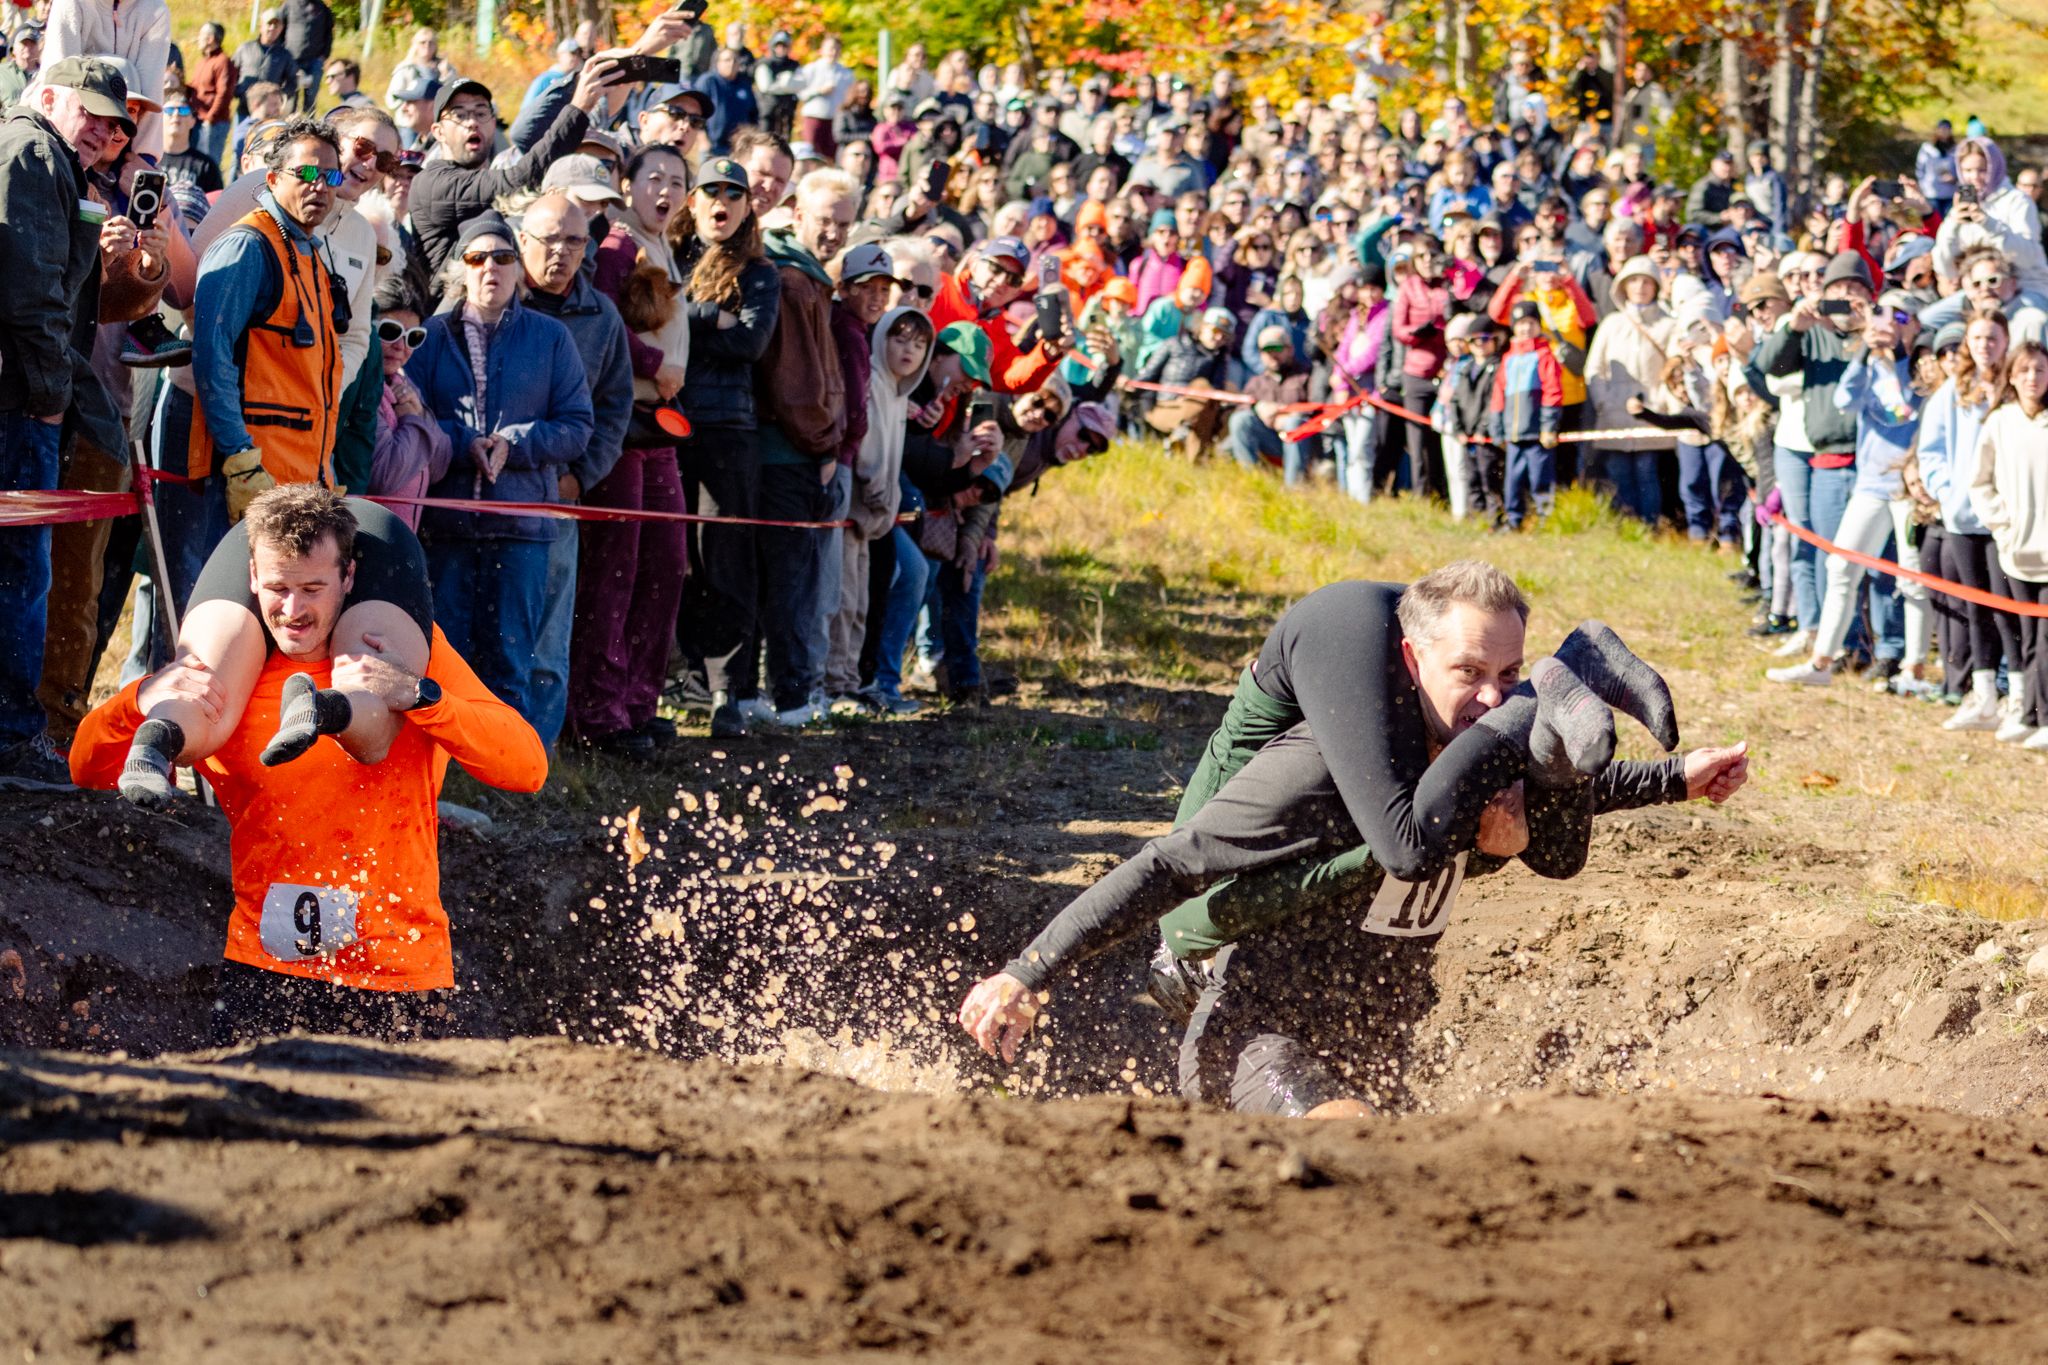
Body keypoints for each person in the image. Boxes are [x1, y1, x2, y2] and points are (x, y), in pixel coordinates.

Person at [959, 566, 1736, 1115]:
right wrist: (1029, 969)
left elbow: (1574, 792)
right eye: (1471, 672)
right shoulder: (1322, 769)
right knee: (1349, 1141)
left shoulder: (1463, 768)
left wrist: (1675, 777)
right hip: (1253, 1006)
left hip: (1378, 1012)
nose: (1491, 696)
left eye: (1509, 677)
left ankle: (1574, 667)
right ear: (1410, 663)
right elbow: (1175, 860)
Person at [71, 486, 546, 1039]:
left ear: (348, 577)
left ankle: (330, 712)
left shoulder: (407, 656)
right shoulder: (223, 683)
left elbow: (526, 768)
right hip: (265, 968)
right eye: (278, 588)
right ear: (251, 577)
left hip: (398, 972)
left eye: (313, 589)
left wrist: (422, 697)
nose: (293, 611)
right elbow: (87, 768)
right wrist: (140, 697)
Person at [0, 56, 136, 787]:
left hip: (26, 393)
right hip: (21, 400)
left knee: (23, 571)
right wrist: (52, 393)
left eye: (115, 128)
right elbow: (30, 293)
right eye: (89, 114)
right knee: (21, 572)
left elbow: (62, 288)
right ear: (46, 95)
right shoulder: (28, 149)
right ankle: (13, 737)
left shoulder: (50, 160)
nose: (102, 134)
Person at [404, 213, 595, 729]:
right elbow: (410, 414)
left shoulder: (551, 338)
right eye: (477, 257)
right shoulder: (431, 338)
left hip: (522, 526)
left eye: (504, 257)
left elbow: (579, 425)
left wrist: (518, 443)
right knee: (446, 663)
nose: (491, 267)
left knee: (513, 664)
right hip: (448, 527)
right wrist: (465, 443)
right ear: (460, 270)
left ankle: (514, 781)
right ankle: (450, 782)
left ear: (518, 269)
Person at [669, 155, 782, 739]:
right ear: (693, 201)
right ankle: (690, 678)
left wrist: (689, 323)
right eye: (710, 191)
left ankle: (728, 689)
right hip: (668, 422)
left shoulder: (760, 272)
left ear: (745, 207)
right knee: (679, 556)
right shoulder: (670, 257)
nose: (722, 201)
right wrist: (710, 316)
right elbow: (654, 318)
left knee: (726, 557)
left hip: (729, 430)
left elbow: (751, 343)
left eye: (733, 194)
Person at [1769, 294, 1935, 691]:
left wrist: (1896, 354)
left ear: (1913, 322)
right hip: (1872, 486)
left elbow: (1903, 412)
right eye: (1881, 313)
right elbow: (1844, 400)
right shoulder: (1868, 365)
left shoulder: (1924, 369)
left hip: (1911, 491)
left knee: (1912, 578)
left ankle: (1914, 669)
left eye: (1900, 315)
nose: (1889, 322)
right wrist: (1866, 352)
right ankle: (1822, 661)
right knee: (1841, 567)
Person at [188, 116, 347, 517]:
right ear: (273, 179)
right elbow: (212, 354)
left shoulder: (311, 252)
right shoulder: (248, 245)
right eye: (307, 172)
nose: (320, 185)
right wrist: (241, 459)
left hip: (295, 480)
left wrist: (322, 469)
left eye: (330, 174)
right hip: (243, 473)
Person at [747, 167, 856, 725]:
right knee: (788, 582)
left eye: (844, 223)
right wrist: (824, 445)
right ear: (797, 215)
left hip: (798, 450)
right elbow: (794, 383)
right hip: (787, 455)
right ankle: (789, 699)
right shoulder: (791, 279)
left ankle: (780, 692)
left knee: (792, 581)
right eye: (824, 220)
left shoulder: (810, 275)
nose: (834, 232)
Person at [1968, 338, 2048, 749]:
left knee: (2047, 636)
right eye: (2025, 370)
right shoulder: (2000, 422)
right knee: (2028, 635)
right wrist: (2002, 524)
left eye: (2040, 369)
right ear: (2012, 376)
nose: (2033, 377)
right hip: (2017, 550)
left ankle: (2044, 717)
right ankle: (2031, 714)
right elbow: (1979, 481)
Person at [1492, 299, 1565, 529]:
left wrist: (1548, 427)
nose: (1525, 328)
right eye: (1520, 323)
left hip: (1536, 436)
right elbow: (1498, 394)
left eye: (1531, 323)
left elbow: (1553, 392)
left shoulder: (1544, 356)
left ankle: (1546, 521)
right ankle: (1513, 520)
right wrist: (1497, 428)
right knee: (1511, 483)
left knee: (1540, 480)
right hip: (1513, 436)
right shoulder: (1508, 359)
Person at [1226, 324, 1315, 486]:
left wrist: (1289, 417)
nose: (1273, 355)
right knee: (1240, 420)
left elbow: (1318, 408)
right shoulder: (1256, 382)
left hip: (1302, 441)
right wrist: (1257, 407)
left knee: (1294, 424)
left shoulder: (1306, 375)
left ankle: (1293, 488)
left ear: (1290, 350)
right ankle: (1252, 482)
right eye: (1267, 350)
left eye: (1278, 348)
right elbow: (1240, 407)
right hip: (1270, 440)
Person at [795, 33, 853, 161]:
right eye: (830, 48)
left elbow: (849, 97)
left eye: (837, 49)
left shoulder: (846, 73)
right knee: (811, 154)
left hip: (835, 120)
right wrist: (818, 91)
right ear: (822, 49)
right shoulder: (810, 69)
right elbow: (799, 93)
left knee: (831, 156)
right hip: (814, 118)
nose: (833, 52)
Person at [233, 10, 295, 120]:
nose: (272, 28)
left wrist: (279, 96)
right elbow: (231, 73)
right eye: (269, 24)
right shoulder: (245, 48)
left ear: (281, 29)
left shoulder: (285, 55)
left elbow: (292, 81)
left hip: (268, 114)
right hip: (244, 109)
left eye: (276, 25)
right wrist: (238, 91)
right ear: (261, 26)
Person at [281, 0, 332, 111]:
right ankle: (290, 123)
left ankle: (309, 123)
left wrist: (324, 56)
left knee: (311, 98)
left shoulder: (323, 9)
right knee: (290, 97)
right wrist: (282, 54)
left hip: (315, 61)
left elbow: (328, 33)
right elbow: (281, 29)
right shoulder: (289, 5)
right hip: (292, 60)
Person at [0, 21, 41, 108]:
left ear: (39, 49)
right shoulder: (2, 73)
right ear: (14, 50)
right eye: (24, 43)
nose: (27, 47)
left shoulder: (47, 74)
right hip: (9, 120)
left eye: (32, 44)